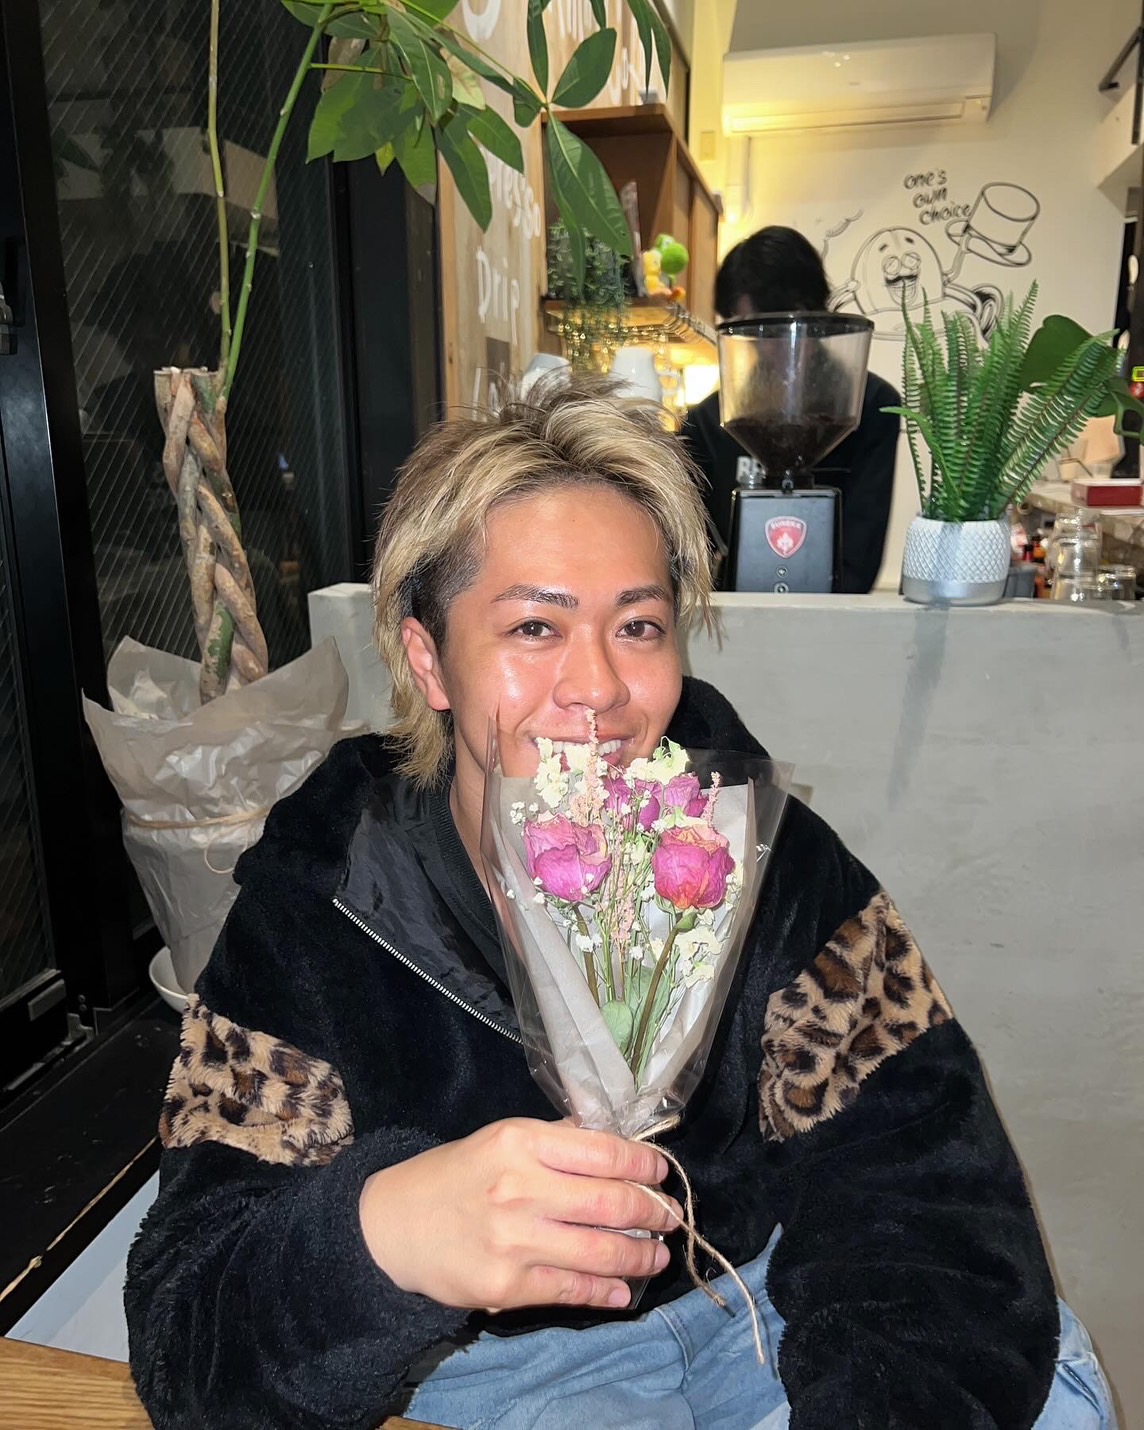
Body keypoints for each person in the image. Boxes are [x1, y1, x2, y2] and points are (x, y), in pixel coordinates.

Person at [125, 376, 1113, 1429]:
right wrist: (384, 1235)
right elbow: (189, 1335)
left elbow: (926, 1197)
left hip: (760, 1302)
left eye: (638, 625)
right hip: (491, 1362)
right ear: (430, 660)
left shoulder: (766, 859)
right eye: (533, 627)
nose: (597, 686)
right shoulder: (324, 901)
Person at [681, 225, 900, 594]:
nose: (757, 348)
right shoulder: (706, 423)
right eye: (741, 334)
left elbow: (859, 560)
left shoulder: (872, 407)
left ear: (805, 315)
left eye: (759, 332)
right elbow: (692, 554)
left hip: (831, 618)